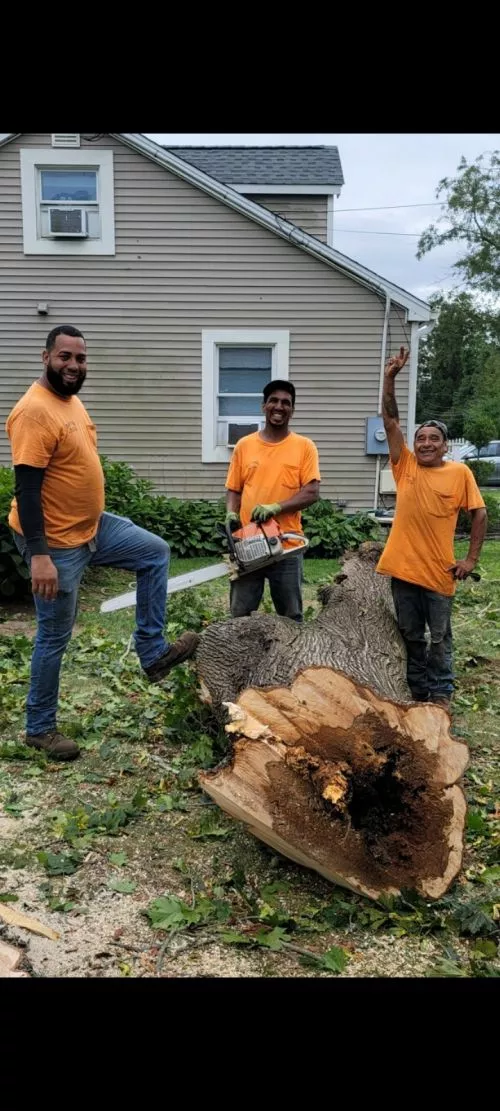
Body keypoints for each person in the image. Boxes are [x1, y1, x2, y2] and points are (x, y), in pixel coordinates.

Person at [6, 325, 199, 762]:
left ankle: (152, 654)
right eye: (65, 357)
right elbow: (28, 489)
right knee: (53, 635)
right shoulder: (35, 412)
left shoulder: (68, 400)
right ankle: (39, 728)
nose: (74, 366)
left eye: (80, 358)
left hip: (92, 528)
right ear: (45, 357)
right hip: (54, 542)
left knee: (154, 552)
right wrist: (39, 556)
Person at [376, 346, 487, 710]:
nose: (425, 443)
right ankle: (418, 691)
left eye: (433, 439)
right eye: (421, 438)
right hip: (402, 571)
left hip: (439, 572)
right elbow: (391, 421)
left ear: (444, 446)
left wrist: (470, 559)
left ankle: (441, 694)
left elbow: (479, 514)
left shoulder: (459, 473)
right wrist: (390, 377)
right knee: (410, 635)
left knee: (439, 637)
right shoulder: (404, 466)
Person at [224, 378, 320, 622]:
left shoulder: (304, 447)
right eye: (274, 401)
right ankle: (240, 658)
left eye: (286, 403)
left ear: (292, 410)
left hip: (286, 544)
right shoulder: (245, 446)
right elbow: (234, 489)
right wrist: (231, 513)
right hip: (249, 541)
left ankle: (292, 659)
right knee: (240, 614)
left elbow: (311, 492)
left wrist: (277, 507)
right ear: (263, 406)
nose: (279, 407)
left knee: (290, 615)